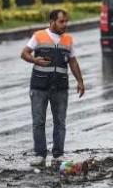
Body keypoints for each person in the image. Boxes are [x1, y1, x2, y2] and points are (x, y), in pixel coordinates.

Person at [20, 9, 85, 168]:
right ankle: (40, 155)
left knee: (60, 122)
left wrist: (80, 82)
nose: (65, 24)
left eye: (66, 21)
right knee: (38, 121)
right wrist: (36, 60)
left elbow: (73, 61)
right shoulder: (39, 36)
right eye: (61, 21)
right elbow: (24, 53)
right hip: (39, 86)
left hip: (60, 87)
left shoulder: (68, 39)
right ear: (52, 22)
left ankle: (58, 155)